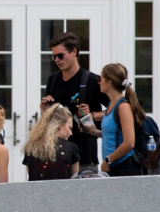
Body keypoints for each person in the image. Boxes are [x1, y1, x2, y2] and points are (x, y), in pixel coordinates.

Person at [40, 31, 109, 170]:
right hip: (57, 155)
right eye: (54, 56)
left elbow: (117, 110)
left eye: (60, 55)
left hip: (84, 154)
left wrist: (93, 115)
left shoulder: (91, 80)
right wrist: (46, 110)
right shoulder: (52, 80)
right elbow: (52, 118)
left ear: (73, 52)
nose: (57, 60)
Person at [93, 63, 144, 177]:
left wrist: (108, 160)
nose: (99, 82)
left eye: (100, 79)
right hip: (114, 168)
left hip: (124, 167)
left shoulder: (123, 107)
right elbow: (112, 134)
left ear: (109, 83)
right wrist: (93, 132)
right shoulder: (111, 105)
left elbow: (129, 143)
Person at [22, 104, 80, 180]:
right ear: (60, 125)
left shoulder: (31, 147)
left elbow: (32, 177)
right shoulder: (71, 148)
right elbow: (75, 181)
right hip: (63, 191)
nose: (71, 133)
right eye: (69, 128)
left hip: (37, 191)